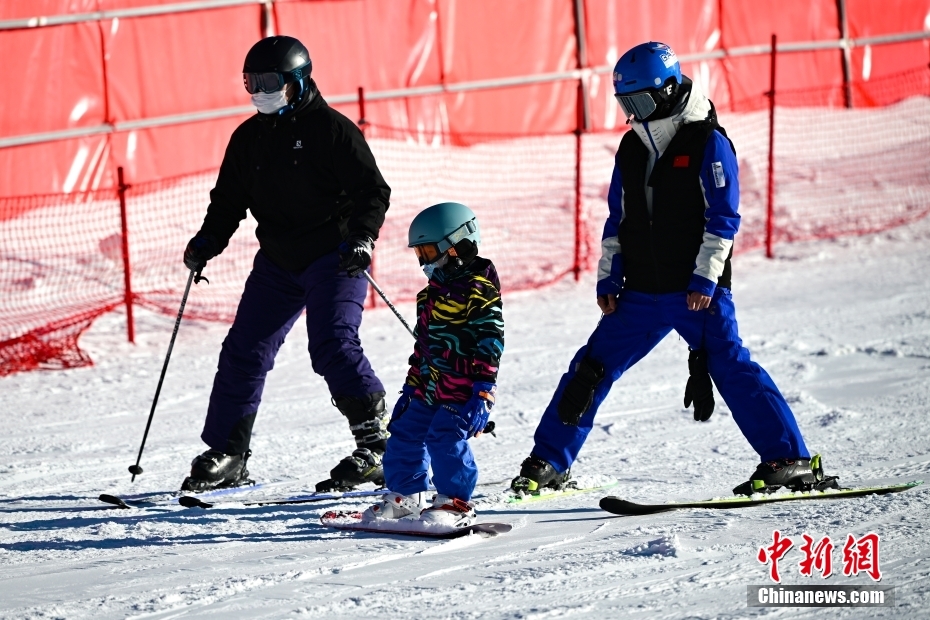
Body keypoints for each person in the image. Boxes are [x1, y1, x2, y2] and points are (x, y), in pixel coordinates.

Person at [510, 41, 837, 497]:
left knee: (732, 368)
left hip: (694, 294)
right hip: (640, 294)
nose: (632, 113)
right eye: (625, 103)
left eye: (639, 101)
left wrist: (706, 277)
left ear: (665, 91)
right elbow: (618, 218)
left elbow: (723, 219)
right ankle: (548, 462)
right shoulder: (631, 148)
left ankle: (791, 459)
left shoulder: (708, 142)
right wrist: (609, 275)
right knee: (589, 368)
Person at [180, 36, 392, 492]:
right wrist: (208, 240)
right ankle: (229, 452)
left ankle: (377, 446)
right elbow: (228, 201)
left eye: (268, 81)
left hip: (332, 256)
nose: (258, 91)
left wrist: (362, 237)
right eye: (250, 82)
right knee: (244, 350)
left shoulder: (331, 130)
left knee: (332, 343)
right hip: (277, 259)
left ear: (296, 81)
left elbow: (372, 191)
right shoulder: (248, 138)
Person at [361, 203, 504, 528]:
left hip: (462, 387)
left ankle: (456, 501)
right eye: (419, 253)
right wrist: (412, 386)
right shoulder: (430, 295)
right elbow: (422, 349)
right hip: (427, 385)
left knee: (444, 437)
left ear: (458, 246)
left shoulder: (479, 290)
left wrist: (484, 389)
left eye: (429, 250)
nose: (424, 260)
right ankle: (404, 498)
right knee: (404, 432)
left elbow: (491, 340)